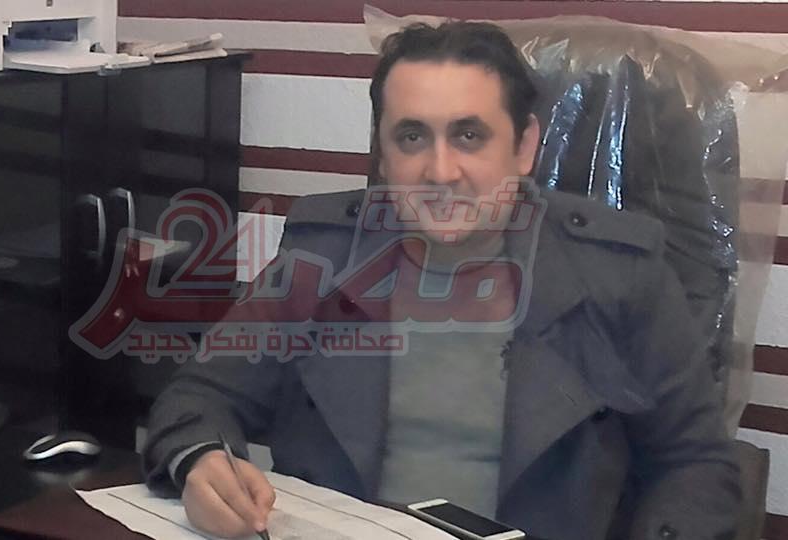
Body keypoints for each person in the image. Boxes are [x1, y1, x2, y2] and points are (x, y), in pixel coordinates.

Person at [141, 21, 740, 540]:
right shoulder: (321, 255)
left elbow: (697, 466)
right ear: (382, 153)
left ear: (524, 146)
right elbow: (200, 396)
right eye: (412, 137)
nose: (440, 171)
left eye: (469, 136)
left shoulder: (619, 271)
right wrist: (201, 461)